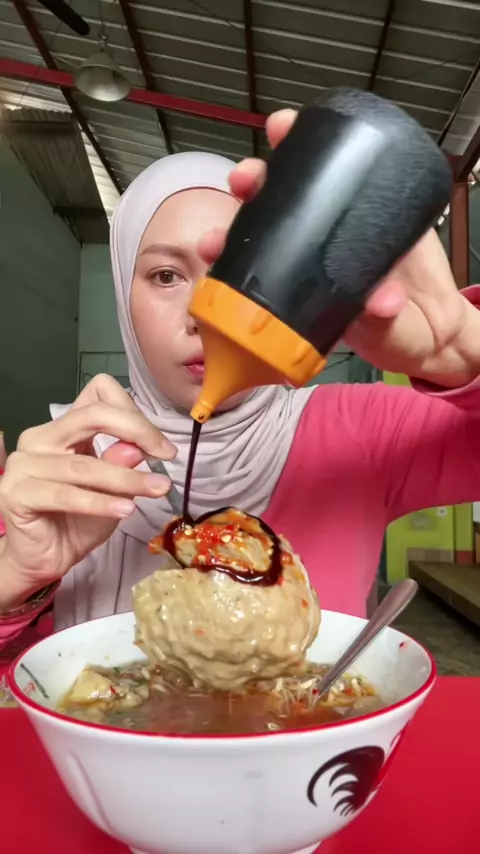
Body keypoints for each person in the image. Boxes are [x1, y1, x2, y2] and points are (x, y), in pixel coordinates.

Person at [1, 108, 480, 644]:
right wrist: (16, 578)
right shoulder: (65, 463)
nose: (200, 316)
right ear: (122, 297)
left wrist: (462, 349)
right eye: (165, 275)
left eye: (229, 271)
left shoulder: (358, 431)